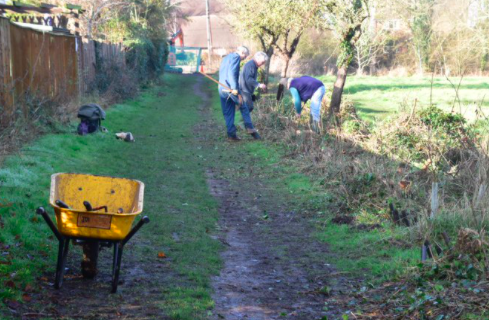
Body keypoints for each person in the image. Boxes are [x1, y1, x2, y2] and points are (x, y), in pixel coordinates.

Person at [218, 46, 250, 141]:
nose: (244, 58)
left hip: (221, 87)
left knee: (228, 112)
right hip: (230, 89)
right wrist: (234, 88)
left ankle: (231, 135)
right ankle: (250, 128)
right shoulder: (236, 57)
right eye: (245, 56)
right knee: (243, 105)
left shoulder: (226, 58)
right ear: (242, 53)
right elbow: (232, 73)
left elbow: (223, 72)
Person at [238, 51, 268, 140]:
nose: (262, 64)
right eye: (262, 62)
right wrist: (259, 85)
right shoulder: (250, 65)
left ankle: (242, 123)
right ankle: (246, 126)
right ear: (257, 59)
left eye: (264, 63)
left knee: (248, 108)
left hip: (247, 90)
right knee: (248, 107)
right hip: (244, 90)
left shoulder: (253, 65)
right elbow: (248, 79)